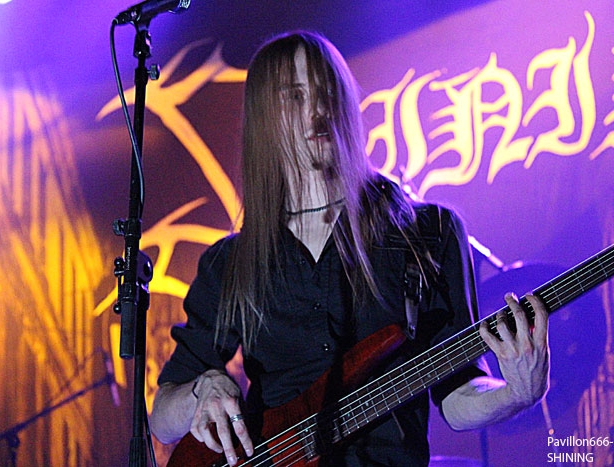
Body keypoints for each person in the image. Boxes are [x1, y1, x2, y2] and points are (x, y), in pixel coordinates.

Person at [150, 30, 550, 467]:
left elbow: (456, 396)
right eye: (295, 96)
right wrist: (201, 390)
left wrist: (518, 392)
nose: (318, 110)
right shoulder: (229, 264)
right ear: (266, 117)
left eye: (327, 92)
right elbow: (163, 420)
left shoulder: (427, 233)